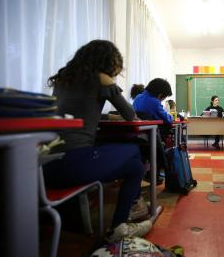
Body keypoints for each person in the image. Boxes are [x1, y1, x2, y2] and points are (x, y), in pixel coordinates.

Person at [44, 40, 152, 243]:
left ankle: (125, 218)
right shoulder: (99, 79)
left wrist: (109, 117)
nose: (114, 74)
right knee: (135, 150)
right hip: (74, 164)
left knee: (134, 166)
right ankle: (122, 222)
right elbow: (130, 114)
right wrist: (110, 84)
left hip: (47, 166)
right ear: (107, 63)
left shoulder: (63, 79)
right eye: (114, 69)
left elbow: (79, 112)